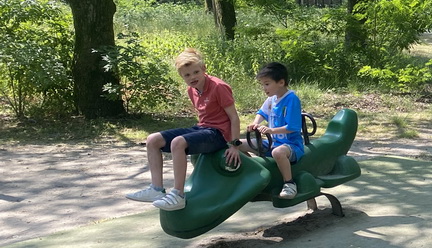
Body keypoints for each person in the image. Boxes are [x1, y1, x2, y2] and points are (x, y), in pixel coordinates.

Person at [125, 48, 242, 211]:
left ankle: (178, 194)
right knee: (153, 140)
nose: (192, 77)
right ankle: (156, 189)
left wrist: (234, 145)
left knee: (178, 142)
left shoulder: (219, 87)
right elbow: (203, 119)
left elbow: (234, 118)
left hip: (219, 134)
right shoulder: (191, 90)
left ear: (204, 69)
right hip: (203, 128)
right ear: (182, 76)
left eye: (196, 72)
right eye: (187, 75)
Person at [248, 62, 305, 200]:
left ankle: (289, 183)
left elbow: (293, 127)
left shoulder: (291, 99)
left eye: (267, 84)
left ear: (281, 82)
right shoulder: (271, 99)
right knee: (239, 144)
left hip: (291, 145)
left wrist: (270, 130)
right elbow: (262, 112)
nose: (264, 88)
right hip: (273, 142)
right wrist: (255, 123)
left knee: (277, 152)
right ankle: (251, 177)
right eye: (262, 84)